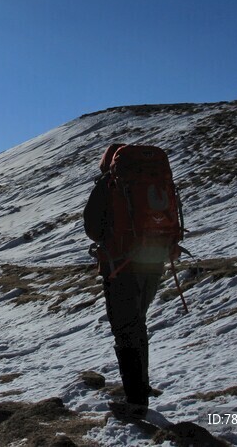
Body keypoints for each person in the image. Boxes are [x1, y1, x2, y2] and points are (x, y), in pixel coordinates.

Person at [84, 143, 178, 415]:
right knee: (138, 324)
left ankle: (135, 401)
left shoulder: (111, 184)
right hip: (154, 259)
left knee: (127, 331)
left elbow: (93, 227)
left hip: (121, 264)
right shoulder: (153, 178)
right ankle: (140, 387)